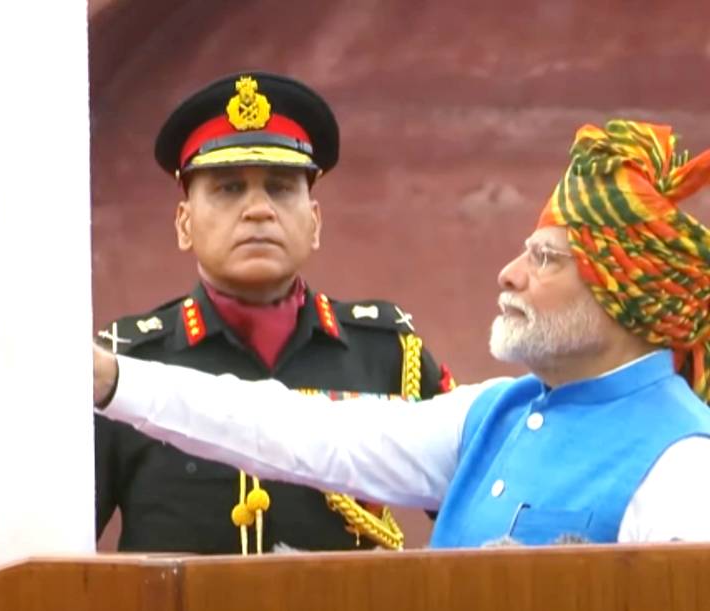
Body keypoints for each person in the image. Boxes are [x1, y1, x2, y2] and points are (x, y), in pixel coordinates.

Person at [93, 118, 710, 546]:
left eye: (544, 258)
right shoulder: (493, 415)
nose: (510, 274)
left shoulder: (685, 462)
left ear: (621, 292)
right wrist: (115, 378)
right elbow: (291, 429)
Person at [94, 72, 455, 556]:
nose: (258, 210)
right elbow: (52, 551)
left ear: (315, 222)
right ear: (184, 224)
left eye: (282, 189)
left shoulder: (387, 353)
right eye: (228, 189)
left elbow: (482, 496)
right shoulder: (127, 364)